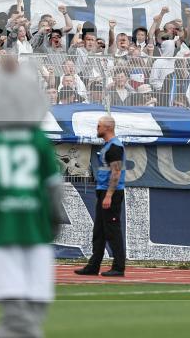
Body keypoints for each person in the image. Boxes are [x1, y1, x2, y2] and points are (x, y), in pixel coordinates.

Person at [0, 57, 67, 338]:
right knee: (36, 302)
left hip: (3, 228)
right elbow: (53, 190)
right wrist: (55, 221)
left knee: (13, 303)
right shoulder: (38, 141)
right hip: (36, 228)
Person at [75, 115, 126, 277]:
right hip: (103, 191)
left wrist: (109, 195)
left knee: (112, 230)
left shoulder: (115, 147)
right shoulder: (108, 146)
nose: (97, 129)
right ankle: (93, 266)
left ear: (108, 128)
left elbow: (116, 173)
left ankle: (118, 267)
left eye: (99, 126)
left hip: (111, 192)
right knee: (99, 232)